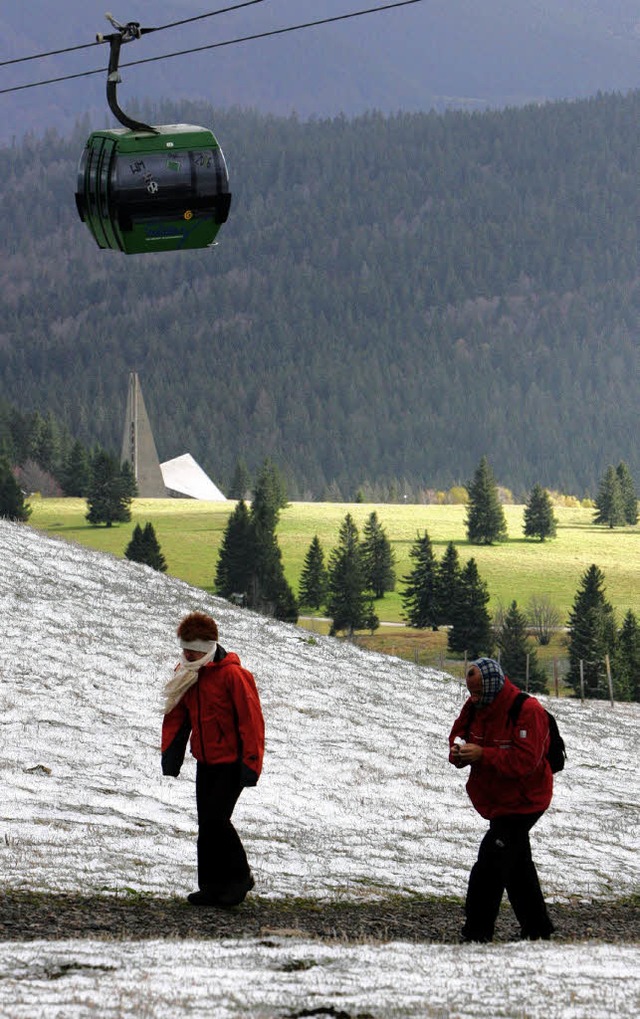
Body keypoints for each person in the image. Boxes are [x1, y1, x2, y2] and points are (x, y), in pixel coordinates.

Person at [161, 611, 265, 907]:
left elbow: (251, 721)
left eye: (191, 648)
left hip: (231, 763)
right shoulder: (188, 672)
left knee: (217, 821)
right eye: (183, 648)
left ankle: (239, 879)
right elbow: (178, 716)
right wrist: (172, 756)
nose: (186, 653)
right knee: (207, 825)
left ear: (207, 647)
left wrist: (251, 763)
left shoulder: (234, 675)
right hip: (206, 761)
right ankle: (210, 887)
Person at [449, 657, 554, 942]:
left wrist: (483, 754)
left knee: (490, 864)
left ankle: (476, 935)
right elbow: (458, 734)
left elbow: (526, 762)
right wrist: (458, 752)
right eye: (471, 692)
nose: (474, 699)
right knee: (517, 865)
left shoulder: (527, 710)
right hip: (496, 801)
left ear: (493, 685)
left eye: (479, 692)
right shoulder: (474, 707)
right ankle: (537, 931)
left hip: (526, 801)